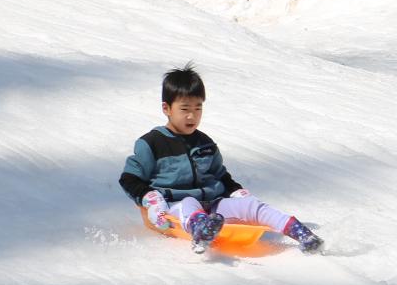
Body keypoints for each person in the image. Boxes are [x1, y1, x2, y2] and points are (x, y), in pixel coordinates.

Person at [118, 65, 323, 255]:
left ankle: (300, 232)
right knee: (189, 202)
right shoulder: (152, 143)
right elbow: (129, 179)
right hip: (173, 207)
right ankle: (200, 232)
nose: (192, 116)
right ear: (166, 108)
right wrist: (150, 198)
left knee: (250, 205)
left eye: (198, 109)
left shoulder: (205, 143)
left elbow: (220, 176)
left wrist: (235, 191)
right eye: (184, 109)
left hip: (212, 207)